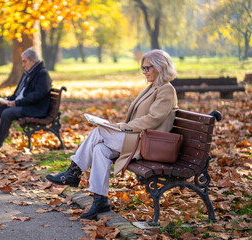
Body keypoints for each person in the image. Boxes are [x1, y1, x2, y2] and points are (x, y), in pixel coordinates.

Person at [46, 49, 178, 219]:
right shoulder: (153, 87)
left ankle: (74, 172)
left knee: (99, 131)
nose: (144, 72)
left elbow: (153, 119)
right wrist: (122, 127)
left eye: (147, 68)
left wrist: (123, 127)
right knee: (100, 149)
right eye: (142, 68)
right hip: (139, 138)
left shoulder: (166, 90)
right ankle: (100, 201)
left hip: (148, 143)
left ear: (160, 67)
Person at [0, 47, 52, 154]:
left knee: (7, 113)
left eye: (24, 61)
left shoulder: (42, 74)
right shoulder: (27, 73)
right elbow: (17, 93)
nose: (22, 64)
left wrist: (17, 103)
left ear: (33, 61)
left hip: (34, 108)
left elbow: (37, 95)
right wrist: (7, 100)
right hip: (22, 105)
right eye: (22, 61)